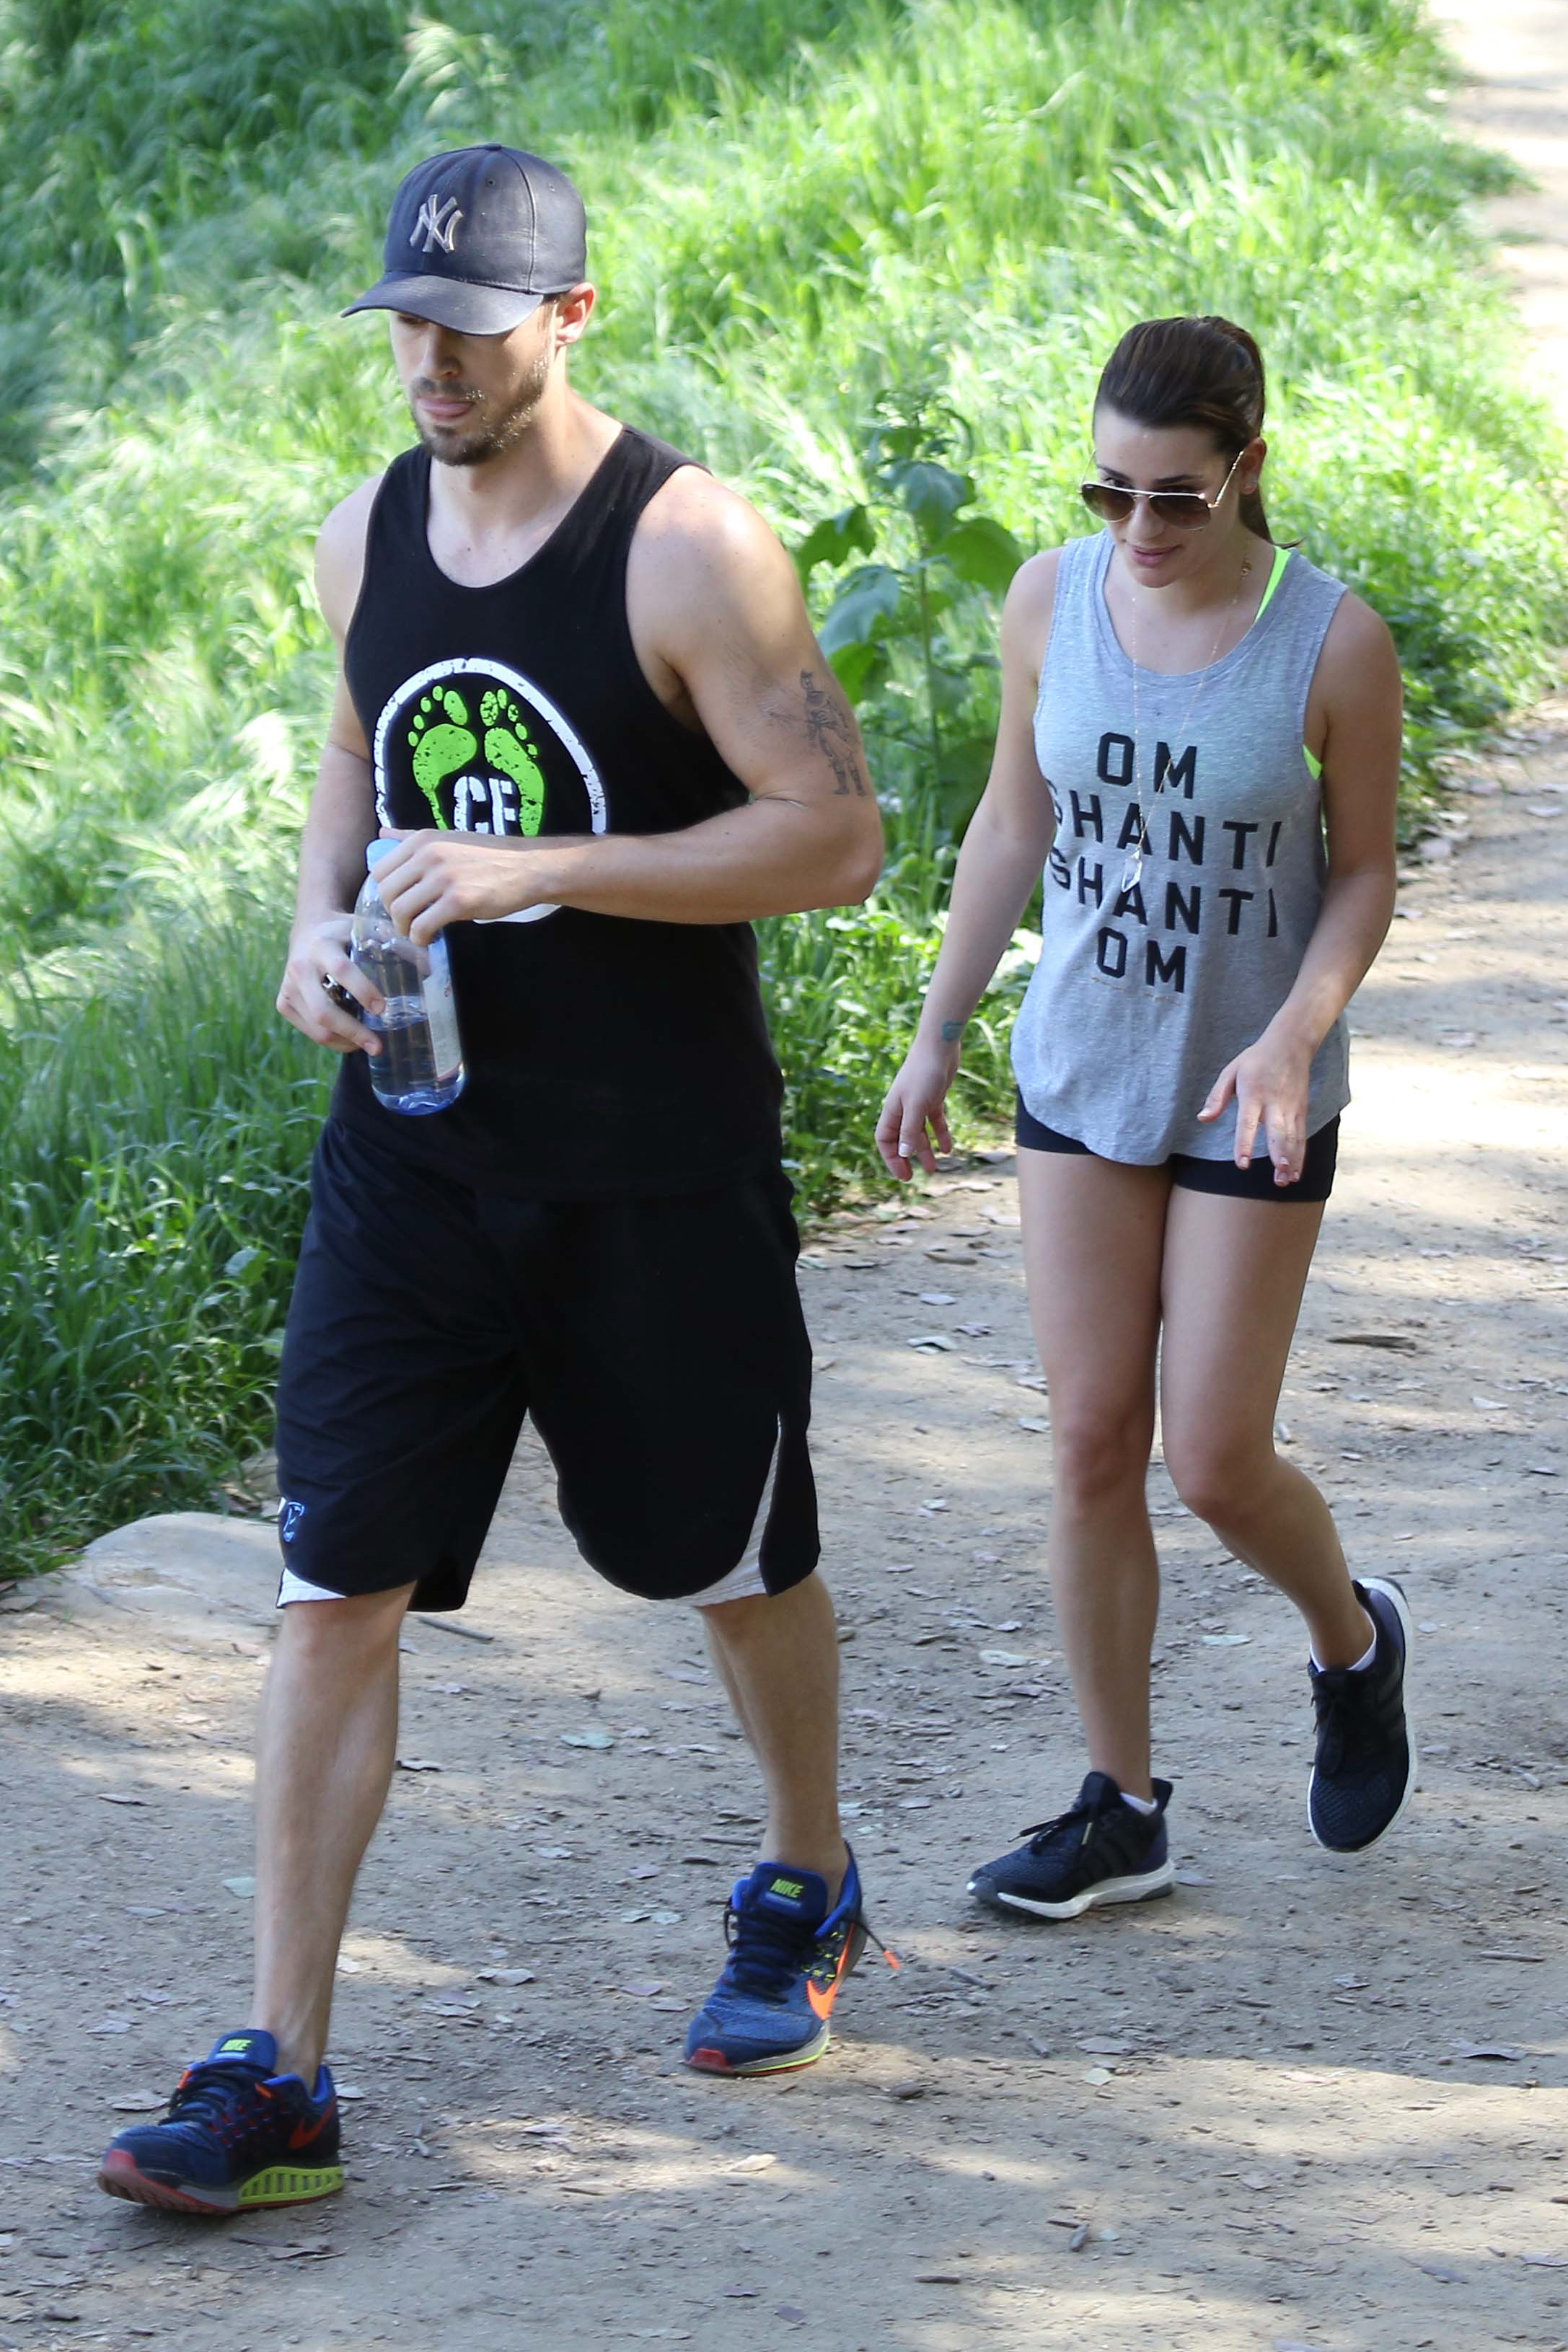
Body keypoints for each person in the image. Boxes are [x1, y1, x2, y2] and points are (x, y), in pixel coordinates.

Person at [98, 144, 885, 2217]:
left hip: (652, 1172)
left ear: (569, 315)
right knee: (331, 1582)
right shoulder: (368, 527)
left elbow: (835, 837)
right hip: (415, 1158)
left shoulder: (689, 548)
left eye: (469, 325)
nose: (430, 362)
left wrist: (552, 865)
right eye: (407, 325)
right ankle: (282, 2066)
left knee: (727, 1562)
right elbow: (359, 742)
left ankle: (805, 1874)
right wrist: (314, 925)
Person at [876, 315, 1413, 1923]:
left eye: (1174, 496)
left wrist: (1293, 1033)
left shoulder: (1330, 643)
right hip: (1085, 1070)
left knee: (1219, 1461)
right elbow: (1011, 817)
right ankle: (1120, 1805)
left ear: (1248, 468)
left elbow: (1364, 871)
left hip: (1253, 1091)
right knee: (1092, 1437)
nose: (1139, 527)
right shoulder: (1051, 598)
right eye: (1109, 491)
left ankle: (1352, 1641)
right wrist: (935, 1032)